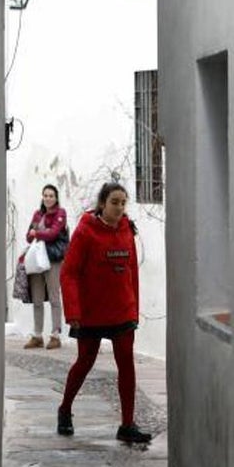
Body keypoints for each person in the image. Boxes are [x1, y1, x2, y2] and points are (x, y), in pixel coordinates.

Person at [56, 182, 152, 444]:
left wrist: (134, 309)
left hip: (122, 311)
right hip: (91, 312)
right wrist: (73, 311)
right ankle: (65, 409)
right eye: (114, 202)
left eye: (123, 203)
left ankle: (127, 424)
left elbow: (132, 272)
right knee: (85, 362)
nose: (119, 207)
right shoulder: (85, 231)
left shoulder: (127, 230)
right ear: (102, 204)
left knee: (127, 365)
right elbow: (69, 273)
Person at [23, 184, 68, 350]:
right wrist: (34, 233)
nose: (48, 198)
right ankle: (37, 335)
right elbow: (29, 237)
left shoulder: (60, 213)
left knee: (54, 297)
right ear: (42, 197)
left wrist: (37, 233)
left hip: (52, 259)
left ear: (56, 198)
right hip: (37, 260)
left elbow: (53, 233)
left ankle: (55, 335)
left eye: (51, 196)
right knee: (37, 299)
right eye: (45, 195)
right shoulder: (38, 214)